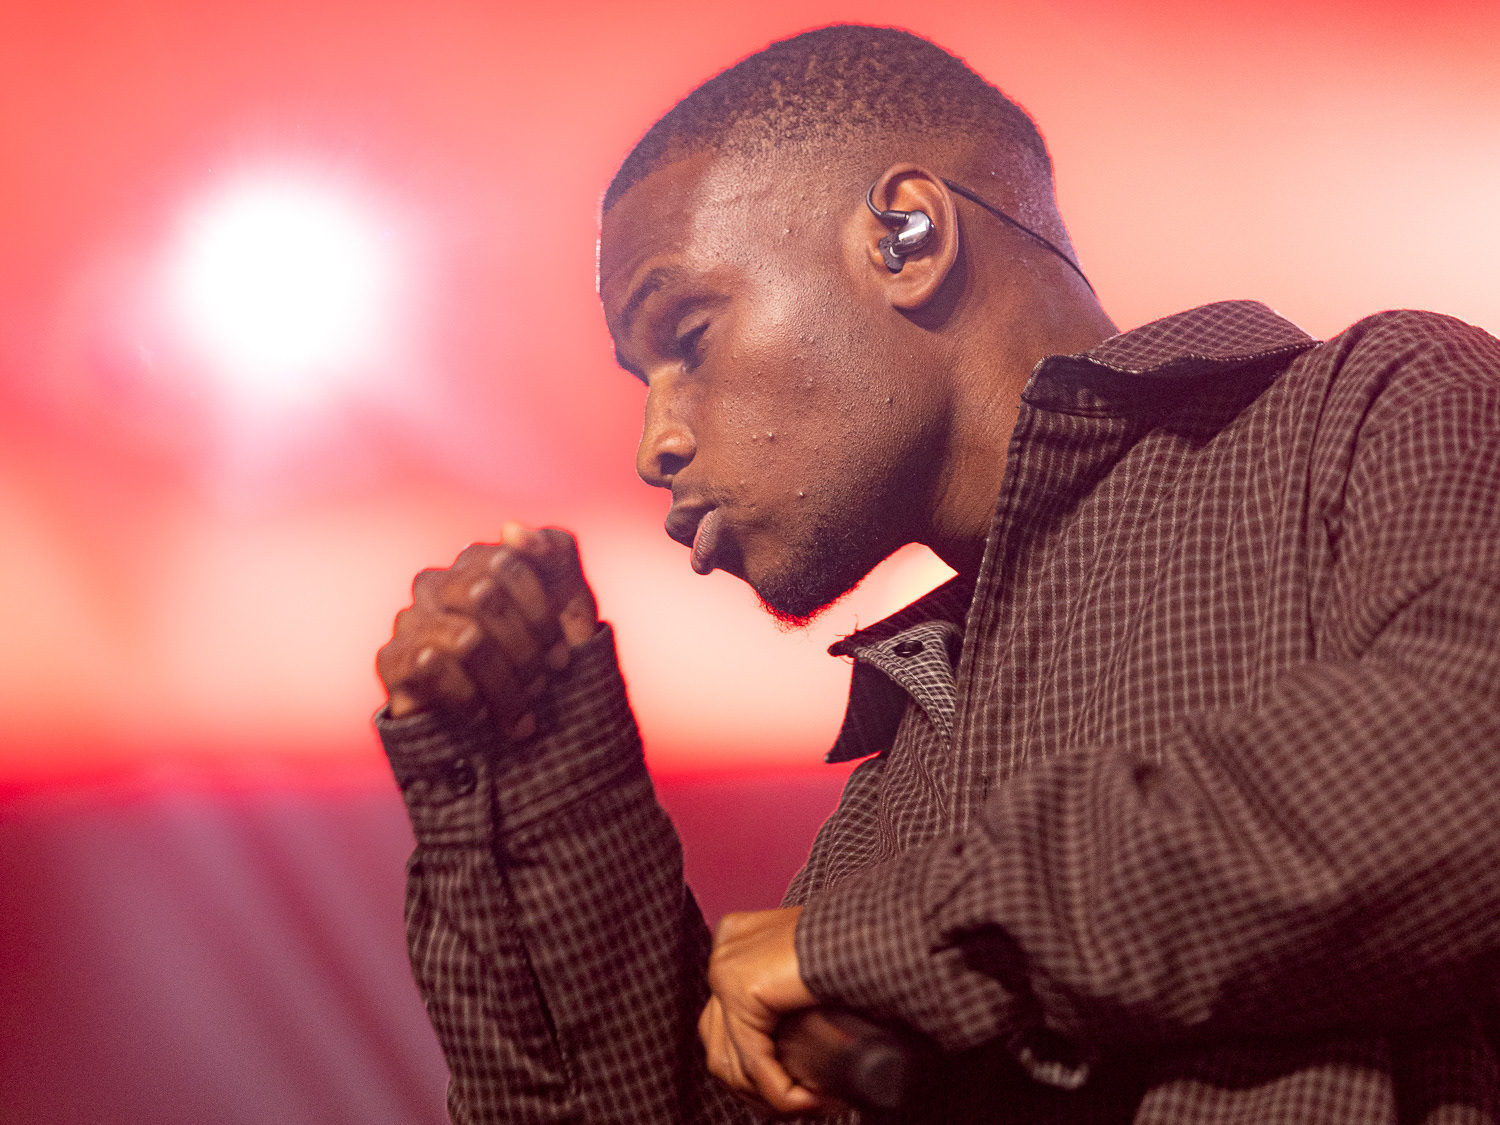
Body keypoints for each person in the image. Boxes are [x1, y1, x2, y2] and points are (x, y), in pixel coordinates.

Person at [373, 24, 1500, 1125]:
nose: (654, 444)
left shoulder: (1376, 405)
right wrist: (528, 761)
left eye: (689, 335)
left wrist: (900, 936)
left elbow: (1466, 766)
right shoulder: (887, 806)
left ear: (906, 237)